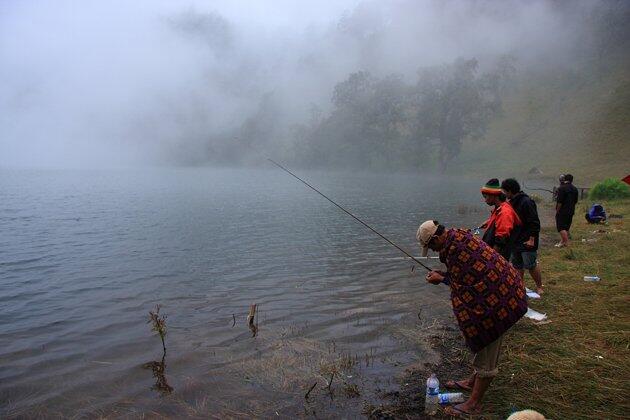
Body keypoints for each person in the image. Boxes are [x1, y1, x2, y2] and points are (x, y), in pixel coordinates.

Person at [417, 220, 527, 417]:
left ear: (436, 237)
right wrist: (444, 275)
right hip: (504, 290)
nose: (433, 250)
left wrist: (441, 279)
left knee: (486, 342)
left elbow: (464, 282)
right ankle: (471, 382)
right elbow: (467, 275)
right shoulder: (458, 237)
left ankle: (474, 404)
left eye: (431, 245)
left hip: (499, 302)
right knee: (483, 343)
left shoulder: (456, 250)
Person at [501, 178, 544, 295]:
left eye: (504, 191)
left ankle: (539, 286)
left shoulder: (526, 202)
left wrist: (531, 239)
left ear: (509, 191)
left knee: (531, 265)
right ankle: (520, 287)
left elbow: (534, 222)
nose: (503, 194)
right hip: (515, 240)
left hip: (527, 240)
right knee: (517, 265)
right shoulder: (510, 203)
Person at [478, 178, 522, 260]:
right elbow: (499, 222)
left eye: (486, 197)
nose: (485, 200)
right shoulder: (499, 208)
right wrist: (488, 223)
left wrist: (491, 257)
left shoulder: (505, 212)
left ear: (493, 195)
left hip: (499, 256)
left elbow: (501, 238)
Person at [555, 174, 579, 247]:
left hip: (563, 211)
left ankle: (566, 242)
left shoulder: (562, 188)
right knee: (566, 227)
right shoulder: (575, 189)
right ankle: (562, 241)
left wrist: (557, 211)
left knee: (561, 227)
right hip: (571, 210)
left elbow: (560, 202)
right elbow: (575, 201)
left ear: (564, 179)